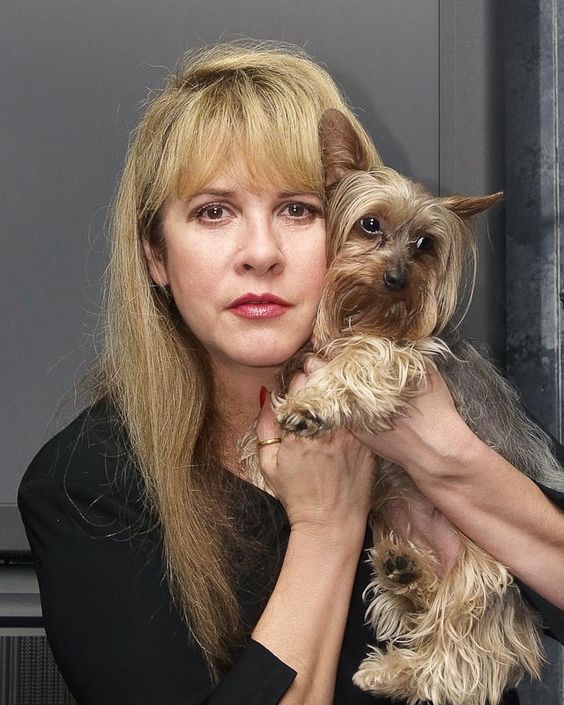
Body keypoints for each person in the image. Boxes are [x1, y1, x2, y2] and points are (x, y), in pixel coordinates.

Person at [18, 41, 564, 705]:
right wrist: (326, 527)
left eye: (298, 209)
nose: (261, 254)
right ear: (156, 255)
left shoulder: (448, 398)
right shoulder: (86, 486)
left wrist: (449, 457)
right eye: (213, 211)